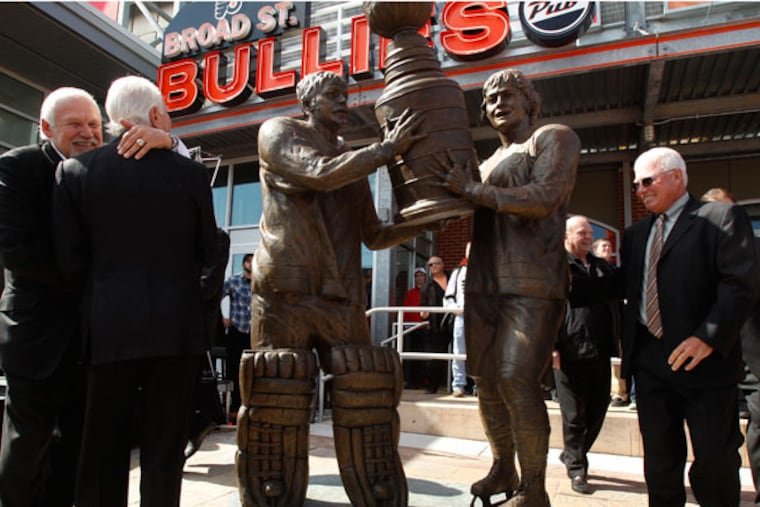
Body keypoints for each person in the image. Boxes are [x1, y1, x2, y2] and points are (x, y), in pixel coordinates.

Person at [243, 70, 430, 506]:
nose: (343, 102)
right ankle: (270, 492)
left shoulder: (352, 158)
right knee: (277, 389)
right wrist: (385, 150)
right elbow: (319, 173)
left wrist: (425, 217)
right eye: (333, 95)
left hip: (342, 295)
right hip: (286, 290)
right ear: (308, 101)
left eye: (347, 96)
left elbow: (374, 234)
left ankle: (376, 492)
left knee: (365, 389)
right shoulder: (279, 131)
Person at [51, 75, 217, 507]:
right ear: (157, 115)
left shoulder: (74, 172)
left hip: (107, 331)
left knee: (103, 452)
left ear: (112, 121)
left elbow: (70, 265)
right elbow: (208, 249)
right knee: (164, 454)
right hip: (176, 333)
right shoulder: (192, 173)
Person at [0, 86, 167, 507]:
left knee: (78, 448)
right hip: (36, 340)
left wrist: (166, 138)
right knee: (26, 446)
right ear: (45, 127)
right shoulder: (18, 168)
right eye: (74, 123)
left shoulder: (108, 171)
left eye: (94, 124)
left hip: (93, 342)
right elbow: (16, 248)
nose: (88, 133)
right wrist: (90, 279)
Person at [434, 68, 580, 506]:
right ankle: (503, 466)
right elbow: (461, 201)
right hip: (483, 282)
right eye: (491, 99)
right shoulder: (486, 161)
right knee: (486, 381)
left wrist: (474, 190)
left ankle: (534, 487)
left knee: (516, 379)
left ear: (530, 101)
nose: (498, 103)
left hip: (532, 281)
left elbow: (545, 196)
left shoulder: (554, 136)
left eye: (508, 95)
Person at [616, 148, 756, 506]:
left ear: (677, 176)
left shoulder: (720, 217)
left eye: (648, 181)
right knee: (660, 464)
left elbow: (739, 284)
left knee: (714, 461)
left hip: (704, 366)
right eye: (636, 184)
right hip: (650, 366)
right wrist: (565, 279)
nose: (640, 189)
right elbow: (623, 285)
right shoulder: (634, 235)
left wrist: (707, 336)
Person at [701, 186, 760, 505]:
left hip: (755, 361)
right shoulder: (696, 255)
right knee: (718, 446)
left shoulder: (756, 249)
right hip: (713, 363)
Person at [555, 216, 618, 494]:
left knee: (598, 411)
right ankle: (577, 469)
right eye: (582, 232)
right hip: (568, 354)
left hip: (600, 351)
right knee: (574, 416)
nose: (587, 237)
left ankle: (572, 453)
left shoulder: (602, 268)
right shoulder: (555, 268)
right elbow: (546, 311)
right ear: (567, 235)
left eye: (590, 232)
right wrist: (551, 347)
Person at [185, 227, 231, 460]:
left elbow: (208, 285)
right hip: (171, 323)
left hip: (192, 323)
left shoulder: (217, 237)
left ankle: (202, 421)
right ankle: (203, 419)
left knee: (189, 382)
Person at [592, 237, 629, 408]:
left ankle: (621, 393)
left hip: (618, 323)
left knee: (619, 359)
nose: (608, 248)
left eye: (609, 246)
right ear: (596, 251)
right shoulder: (591, 271)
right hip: (600, 326)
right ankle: (609, 392)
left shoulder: (614, 271)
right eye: (603, 246)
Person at [221, 253, 253, 417]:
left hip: (253, 333)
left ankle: (250, 406)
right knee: (234, 370)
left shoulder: (260, 283)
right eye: (249, 261)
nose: (252, 264)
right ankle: (234, 408)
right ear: (243, 264)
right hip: (237, 331)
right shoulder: (233, 281)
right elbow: (216, 296)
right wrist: (223, 318)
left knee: (252, 370)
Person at [420, 255, 452, 394]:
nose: (433, 267)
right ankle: (433, 385)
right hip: (438, 325)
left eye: (436, 264)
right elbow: (423, 308)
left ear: (443, 264)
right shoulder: (428, 286)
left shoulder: (453, 278)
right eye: (431, 265)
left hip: (457, 320)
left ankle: (464, 385)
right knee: (437, 356)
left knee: (461, 354)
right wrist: (424, 313)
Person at [444, 243, 470, 397]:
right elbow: (448, 296)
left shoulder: (488, 271)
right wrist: (455, 308)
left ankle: (481, 386)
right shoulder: (459, 271)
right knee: (459, 351)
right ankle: (459, 384)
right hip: (462, 316)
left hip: (482, 318)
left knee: (483, 352)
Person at [401, 267, 430, 389]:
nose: (419, 278)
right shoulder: (410, 293)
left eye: (421, 276)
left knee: (425, 356)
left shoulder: (429, 291)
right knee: (412, 357)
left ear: (425, 278)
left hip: (425, 328)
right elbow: (406, 310)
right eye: (417, 276)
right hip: (412, 329)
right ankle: (412, 381)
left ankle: (425, 381)